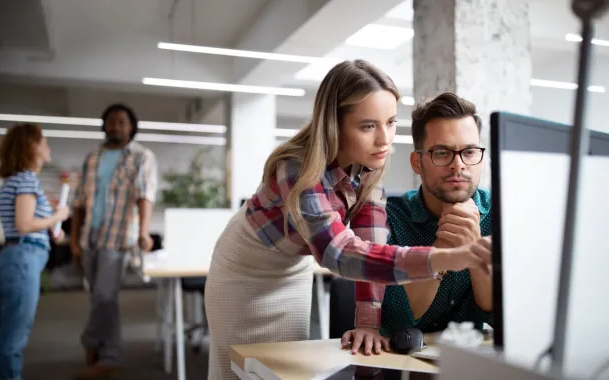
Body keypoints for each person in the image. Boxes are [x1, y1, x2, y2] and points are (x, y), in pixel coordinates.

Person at [204, 60, 493, 380]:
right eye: (368, 126)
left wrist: (367, 324)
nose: (385, 139)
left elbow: (369, 246)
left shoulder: (369, 164)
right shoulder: (297, 167)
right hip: (246, 269)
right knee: (237, 368)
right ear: (335, 125)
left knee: (278, 368)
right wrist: (446, 256)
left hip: (293, 267)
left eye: (391, 122)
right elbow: (340, 254)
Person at [342, 92, 493, 355]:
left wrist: (474, 248)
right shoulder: (384, 219)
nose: (458, 165)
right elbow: (394, 322)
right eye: (442, 153)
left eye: (469, 152)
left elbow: (503, 321)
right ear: (417, 162)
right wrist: (444, 250)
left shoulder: (500, 214)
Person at [70, 104, 158, 380]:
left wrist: (144, 232)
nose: (116, 126)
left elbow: (145, 195)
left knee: (104, 297)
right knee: (101, 300)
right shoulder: (92, 158)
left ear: (132, 126)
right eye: (111, 122)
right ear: (104, 125)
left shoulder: (141, 156)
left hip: (118, 237)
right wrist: (74, 240)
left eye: (122, 122)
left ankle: (91, 341)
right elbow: (78, 203)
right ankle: (109, 355)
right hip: (89, 237)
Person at [0, 123, 69, 380]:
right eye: (44, 142)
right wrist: (57, 216)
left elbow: (25, 223)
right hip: (22, 259)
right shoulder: (26, 179)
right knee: (14, 337)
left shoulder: (17, 180)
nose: (48, 148)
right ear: (31, 146)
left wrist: (51, 225)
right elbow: (25, 224)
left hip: (16, 258)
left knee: (8, 332)